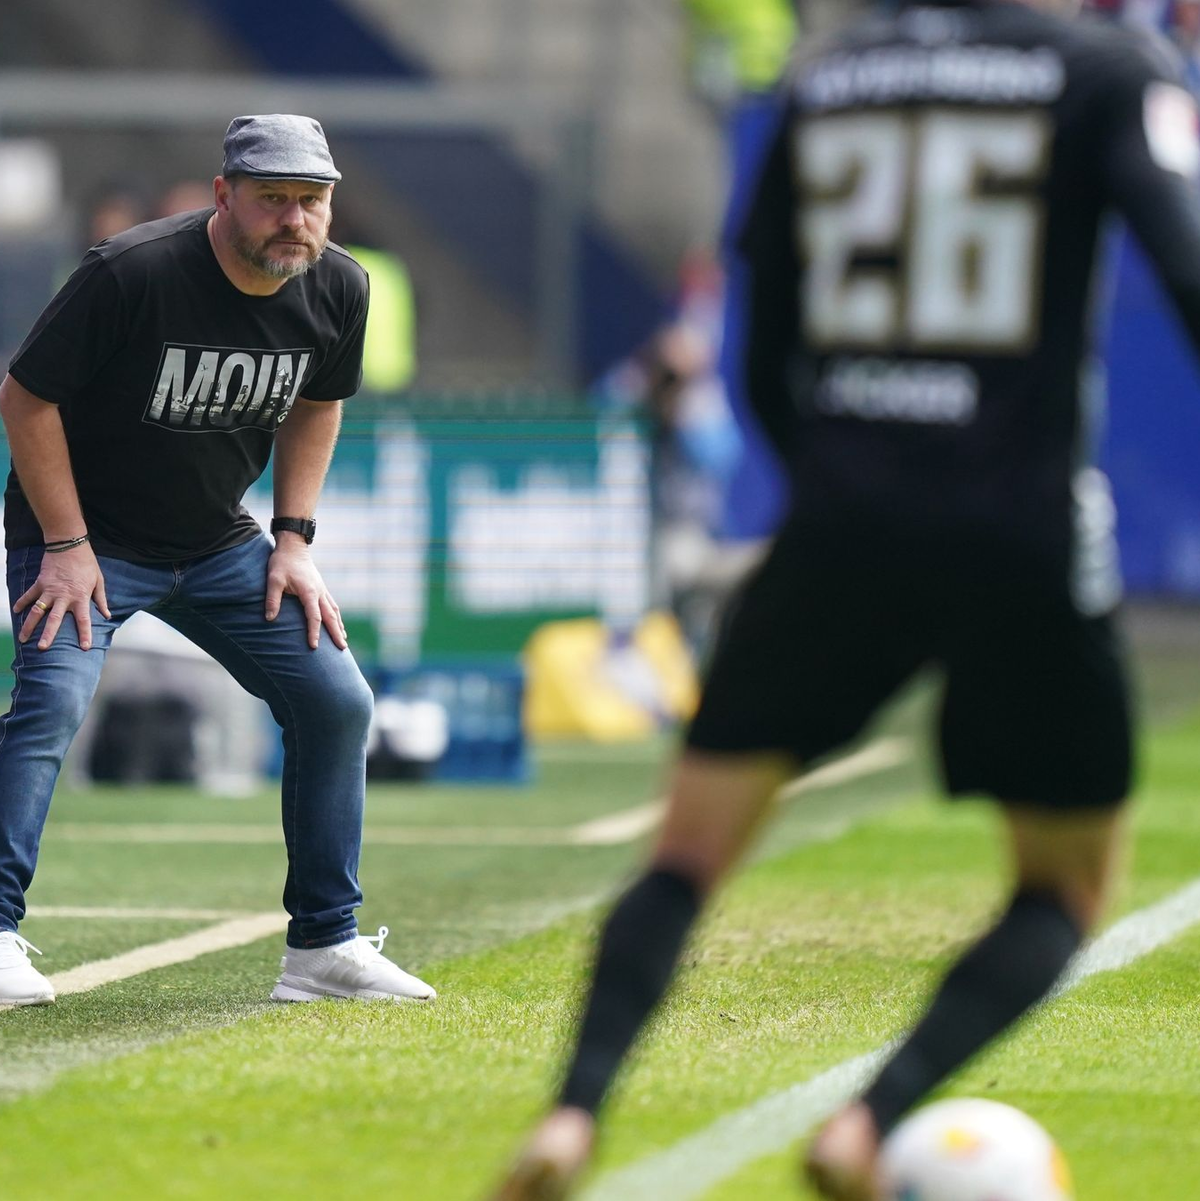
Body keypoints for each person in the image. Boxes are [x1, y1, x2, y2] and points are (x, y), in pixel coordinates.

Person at [489, 2, 1200, 1198]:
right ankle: (870, 1123)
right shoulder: (1100, 65)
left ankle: (573, 1110)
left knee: (687, 852)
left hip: (843, 517)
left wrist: (829, 479)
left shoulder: (833, 75)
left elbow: (762, 329)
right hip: (1019, 526)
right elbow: (1183, 261)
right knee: (1064, 887)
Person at [0, 114, 435, 1007]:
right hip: (90, 541)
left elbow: (319, 401)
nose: (296, 220)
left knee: (336, 699)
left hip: (216, 539)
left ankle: (324, 947)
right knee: (52, 705)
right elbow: (25, 398)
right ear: (223, 195)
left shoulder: (338, 286)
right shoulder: (132, 271)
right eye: (274, 199)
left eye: (312, 200)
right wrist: (68, 545)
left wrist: (293, 539)